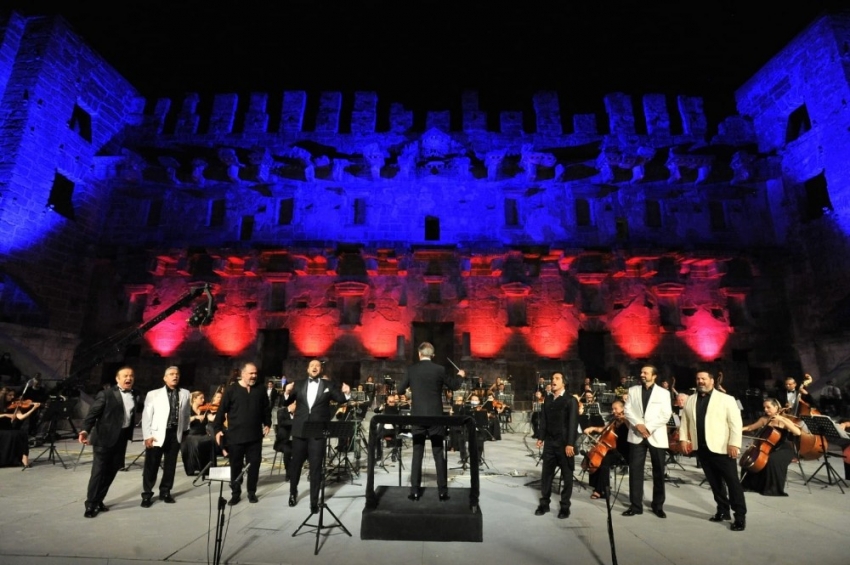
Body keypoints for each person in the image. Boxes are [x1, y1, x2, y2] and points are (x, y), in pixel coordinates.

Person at [678, 370, 747, 531]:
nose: (700, 381)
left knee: (732, 483)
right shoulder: (690, 399)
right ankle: (723, 511)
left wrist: (734, 444)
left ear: (711, 380)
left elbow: (735, 423)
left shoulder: (726, 399)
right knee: (715, 483)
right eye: (697, 379)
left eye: (703, 378)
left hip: (722, 447)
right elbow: (685, 422)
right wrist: (683, 439)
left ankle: (740, 516)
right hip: (701, 448)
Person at [397, 341, 464, 502]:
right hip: (435, 417)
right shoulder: (439, 369)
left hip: (418, 416)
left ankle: (414, 491)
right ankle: (442, 492)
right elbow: (454, 386)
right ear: (432, 355)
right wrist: (461, 375)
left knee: (417, 453)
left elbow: (399, 390)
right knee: (438, 453)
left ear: (419, 354)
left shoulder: (412, 369)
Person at [282, 359, 350, 513]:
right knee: (296, 464)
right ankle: (293, 492)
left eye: (317, 366)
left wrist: (347, 394)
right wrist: (286, 392)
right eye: (312, 365)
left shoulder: (328, 385)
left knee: (316, 466)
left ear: (321, 369)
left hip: (318, 431)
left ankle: (314, 501)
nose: (314, 368)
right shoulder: (298, 384)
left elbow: (340, 399)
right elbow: (286, 402)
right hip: (300, 430)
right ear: (307, 369)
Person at [78, 367, 141, 518]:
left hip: (121, 439)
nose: (129, 378)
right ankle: (90, 504)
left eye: (131, 376)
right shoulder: (105, 394)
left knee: (112, 472)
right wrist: (85, 430)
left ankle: (99, 499)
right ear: (117, 379)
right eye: (125, 376)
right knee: (98, 472)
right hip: (103, 439)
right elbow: (92, 414)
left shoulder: (135, 395)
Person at [212, 362, 271, 506]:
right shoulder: (232, 390)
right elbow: (221, 410)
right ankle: (235, 493)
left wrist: (267, 423)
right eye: (251, 373)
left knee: (254, 465)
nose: (254, 376)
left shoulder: (260, 389)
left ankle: (251, 492)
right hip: (235, 436)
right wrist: (217, 428)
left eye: (255, 373)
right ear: (243, 374)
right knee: (236, 466)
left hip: (255, 436)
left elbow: (266, 409)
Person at [623, 364, 672, 518]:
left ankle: (658, 506)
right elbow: (627, 410)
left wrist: (648, 428)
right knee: (635, 471)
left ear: (654, 376)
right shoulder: (633, 390)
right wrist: (638, 425)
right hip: (637, 434)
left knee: (658, 472)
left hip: (655, 435)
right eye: (641, 372)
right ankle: (635, 505)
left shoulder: (663, 393)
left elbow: (666, 414)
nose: (642, 374)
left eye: (646, 372)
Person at [140, 366, 191, 507]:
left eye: (177, 374)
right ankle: (147, 494)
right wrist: (147, 435)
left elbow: (186, 414)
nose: (175, 376)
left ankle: (165, 491)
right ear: (165, 377)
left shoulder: (186, 393)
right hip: (156, 435)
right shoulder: (153, 394)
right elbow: (146, 416)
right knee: (151, 465)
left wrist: (185, 431)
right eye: (171, 374)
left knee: (170, 465)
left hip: (175, 434)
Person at [534, 372, 578, 519]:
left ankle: (565, 507)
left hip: (565, 444)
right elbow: (544, 420)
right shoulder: (548, 399)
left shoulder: (570, 400)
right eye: (552, 378)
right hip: (550, 443)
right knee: (546, 474)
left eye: (557, 379)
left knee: (567, 475)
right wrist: (541, 437)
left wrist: (570, 443)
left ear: (563, 383)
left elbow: (572, 423)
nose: (553, 381)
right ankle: (544, 504)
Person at [740, 397, 802, 496]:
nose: (765, 410)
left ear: (776, 407)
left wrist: (781, 419)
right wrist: (738, 429)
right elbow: (751, 427)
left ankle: (772, 489)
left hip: (783, 448)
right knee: (750, 459)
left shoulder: (785, 420)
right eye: (764, 408)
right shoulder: (764, 419)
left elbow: (797, 432)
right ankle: (751, 485)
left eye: (768, 407)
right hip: (768, 447)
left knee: (773, 460)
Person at [583, 398, 629, 500]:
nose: (613, 411)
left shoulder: (628, 421)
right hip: (613, 449)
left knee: (604, 461)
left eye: (615, 409)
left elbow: (631, 430)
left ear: (623, 408)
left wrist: (625, 419)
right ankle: (597, 486)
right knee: (597, 457)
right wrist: (592, 428)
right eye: (613, 409)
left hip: (624, 452)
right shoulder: (615, 421)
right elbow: (604, 429)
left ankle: (602, 491)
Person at [0, 387, 41, 467]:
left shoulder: (14, 405)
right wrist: (5, 415)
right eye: (10, 395)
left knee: (22, 434)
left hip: (8, 428)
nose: (12, 397)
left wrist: (33, 408)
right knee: (12, 435)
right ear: (3, 395)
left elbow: (21, 417)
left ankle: (24, 459)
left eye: (13, 395)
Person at [180, 391, 216, 475]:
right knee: (197, 442)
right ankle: (195, 467)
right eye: (201, 398)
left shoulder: (204, 409)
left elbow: (211, 418)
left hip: (202, 433)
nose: (203, 400)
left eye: (203, 398)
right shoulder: (187, 409)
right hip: (190, 434)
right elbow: (184, 420)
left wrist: (221, 413)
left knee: (210, 440)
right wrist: (195, 417)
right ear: (194, 399)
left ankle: (206, 468)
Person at [273, 401, 296, 481]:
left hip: (295, 440)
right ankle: (288, 473)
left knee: (307, 449)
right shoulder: (281, 412)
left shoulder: (298, 413)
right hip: (283, 441)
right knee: (288, 452)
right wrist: (296, 421)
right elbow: (282, 423)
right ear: (292, 404)